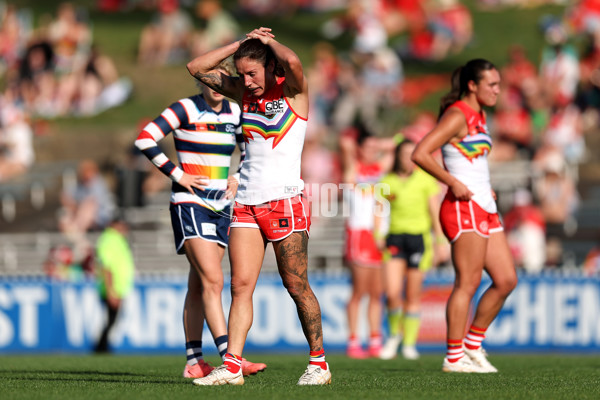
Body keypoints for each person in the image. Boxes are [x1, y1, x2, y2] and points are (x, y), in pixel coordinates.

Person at [186, 27, 331, 386]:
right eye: (242, 73)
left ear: (270, 67)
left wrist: (267, 43)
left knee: (296, 285)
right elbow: (195, 67)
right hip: (247, 203)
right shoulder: (241, 93)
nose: (246, 81)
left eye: (253, 73)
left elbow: (294, 61)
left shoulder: (294, 93)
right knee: (240, 286)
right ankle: (232, 365)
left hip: (283, 201)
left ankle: (319, 364)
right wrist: (239, 45)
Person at [134, 59, 265, 378]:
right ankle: (230, 357)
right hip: (190, 201)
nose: (216, 85)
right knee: (214, 281)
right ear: (201, 82)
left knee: (199, 285)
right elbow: (145, 138)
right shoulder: (185, 109)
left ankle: (194, 362)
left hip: (221, 205)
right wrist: (178, 175)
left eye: (222, 79)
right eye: (210, 79)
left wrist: (238, 174)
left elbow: (249, 147)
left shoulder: (235, 113)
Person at [411, 59, 518, 373]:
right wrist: (453, 182)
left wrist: (486, 188)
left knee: (506, 280)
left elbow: (472, 162)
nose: (498, 90)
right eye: (492, 85)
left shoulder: (480, 115)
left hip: (484, 205)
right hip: (462, 207)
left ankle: (472, 345)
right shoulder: (458, 113)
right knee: (468, 283)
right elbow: (420, 152)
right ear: (473, 85)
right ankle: (454, 357)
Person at [375, 137, 445, 361]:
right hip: (395, 238)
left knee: (413, 294)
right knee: (393, 292)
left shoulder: (426, 180)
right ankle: (394, 335)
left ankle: (409, 344)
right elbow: (379, 210)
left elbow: (434, 213)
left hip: (419, 239)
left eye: (411, 154)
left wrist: (441, 241)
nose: (407, 159)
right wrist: (378, 234)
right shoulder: (387, 181)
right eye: (403, 154)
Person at [339, 125, 394, 359]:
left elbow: (397, 146)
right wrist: (361, 146)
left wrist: (378, 144)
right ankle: (353, 341)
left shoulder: (380, 169)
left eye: (376, 147)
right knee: (358, 291)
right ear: (359, 148)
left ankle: (374, 340)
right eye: (367, 146)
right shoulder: (354, 168)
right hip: (359, 234)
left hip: (378, 235)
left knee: (376, 292)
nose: (373, 150)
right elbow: (344, 143)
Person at [94, 216, 135, 353]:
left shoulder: (116, 240)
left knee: (112, 319)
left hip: (117, 287)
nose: (125, 229)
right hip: (112, 288)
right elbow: (107, 267)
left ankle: (102, 347)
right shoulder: (109, 240)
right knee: (110, 319)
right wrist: (111, 291)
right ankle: (101, 347)